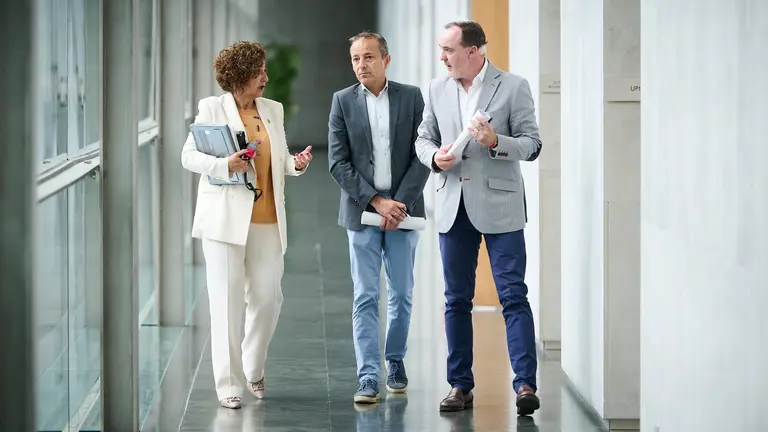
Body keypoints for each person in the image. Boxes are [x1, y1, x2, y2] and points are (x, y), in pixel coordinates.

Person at [414, 21, 543, 414]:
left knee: (513, 297)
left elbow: (533, 145)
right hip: (454, 206)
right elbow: (423, 139)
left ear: (473, 51)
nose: (442, 57)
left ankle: (524, 386)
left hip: (501, 208)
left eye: (448, 49)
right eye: (441, 49)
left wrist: (494, 142)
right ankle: (460, 385)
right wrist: (434, 158)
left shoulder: (513, 85)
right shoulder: (437, 89)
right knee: (455, 300)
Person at [181, 41, 313, 409]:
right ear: (240, 78)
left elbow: (280, 158)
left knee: (269, 298)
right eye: (259, 73)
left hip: (267, 219)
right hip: (223, 221)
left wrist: (296, 163)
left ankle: (253, 365)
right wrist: (226, 165)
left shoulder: (272, 109)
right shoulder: (212, 108)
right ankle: (228, 383)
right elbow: (188, 156)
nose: (266, 79)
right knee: (226, 303)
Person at [328, 31, 429, 404]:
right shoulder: (342, 101)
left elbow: (423, 153)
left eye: (368, 57)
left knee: (402, 294)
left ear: (386, 60)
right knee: (366, 295)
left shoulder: (412, 97)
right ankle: (368, 375)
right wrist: (376, 201)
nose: (361, 65)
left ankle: (395, 360)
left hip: (404, 211)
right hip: (361, 215)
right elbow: (337, 162)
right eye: (355, 58)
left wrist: (398, 202)